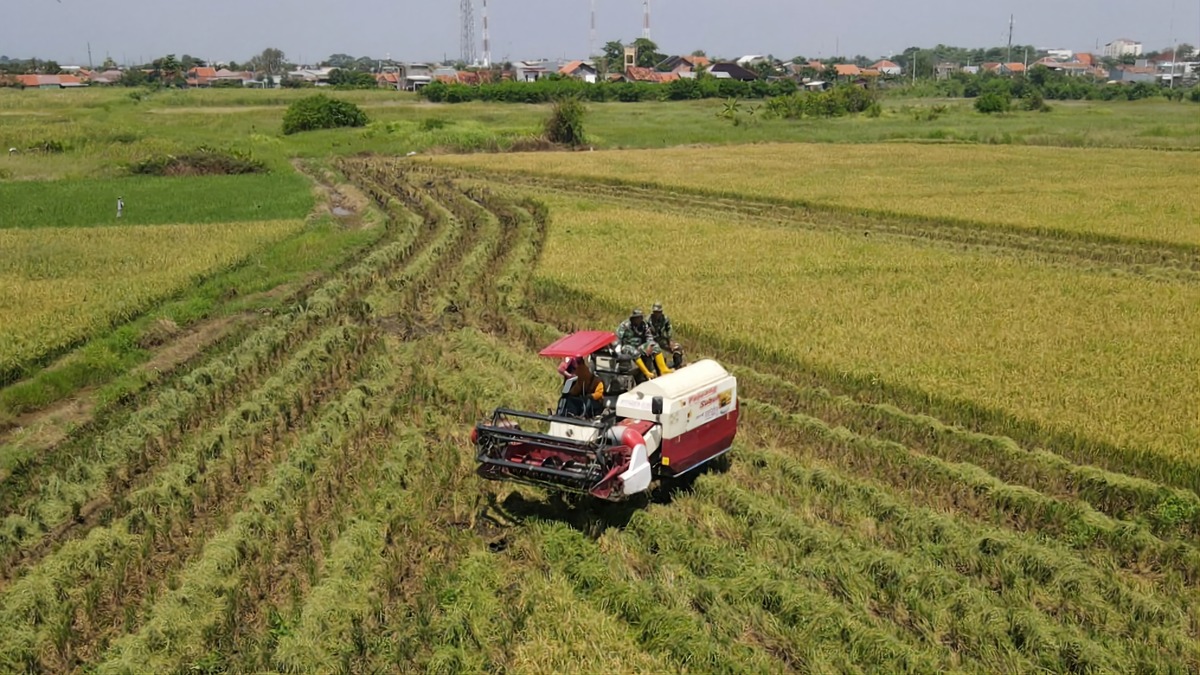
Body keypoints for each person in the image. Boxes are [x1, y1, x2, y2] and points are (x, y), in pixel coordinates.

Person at [616, 308, 671, 379]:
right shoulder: (625, 325)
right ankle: (646, 373)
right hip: (627, 347)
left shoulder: (644, 325)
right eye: (637, 317)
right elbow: (617, 338)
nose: (639, 319)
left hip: (639, 346)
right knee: (633, 351)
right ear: (633, 318)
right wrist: (618, 351)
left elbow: (649, 336)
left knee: (655, 346)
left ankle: (663, 369)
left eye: (640, 317)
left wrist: (649, 345)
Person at [649, 302, 685, 370]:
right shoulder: (648, 320)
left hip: (662, 339)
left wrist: (670, 340)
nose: (657, 314)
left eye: (658, 312)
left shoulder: (665, 319)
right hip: (652, 341)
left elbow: (669, 329)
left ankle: (677, 365)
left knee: (677, 348)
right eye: (655, 312)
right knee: (656, 354)